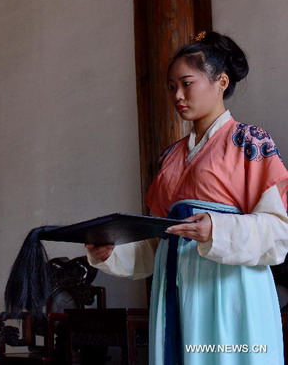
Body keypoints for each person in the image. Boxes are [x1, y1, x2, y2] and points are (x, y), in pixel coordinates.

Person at [86, 31, 288, 364]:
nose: (177, 95)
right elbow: (156, 240)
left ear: (221, 82)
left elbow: (279, 231)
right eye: (171, 86)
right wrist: (112, 251)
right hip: (174, 288)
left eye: (187, 83)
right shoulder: (169, 157)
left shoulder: (249, 142)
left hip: (230, 288)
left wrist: (217, 229)